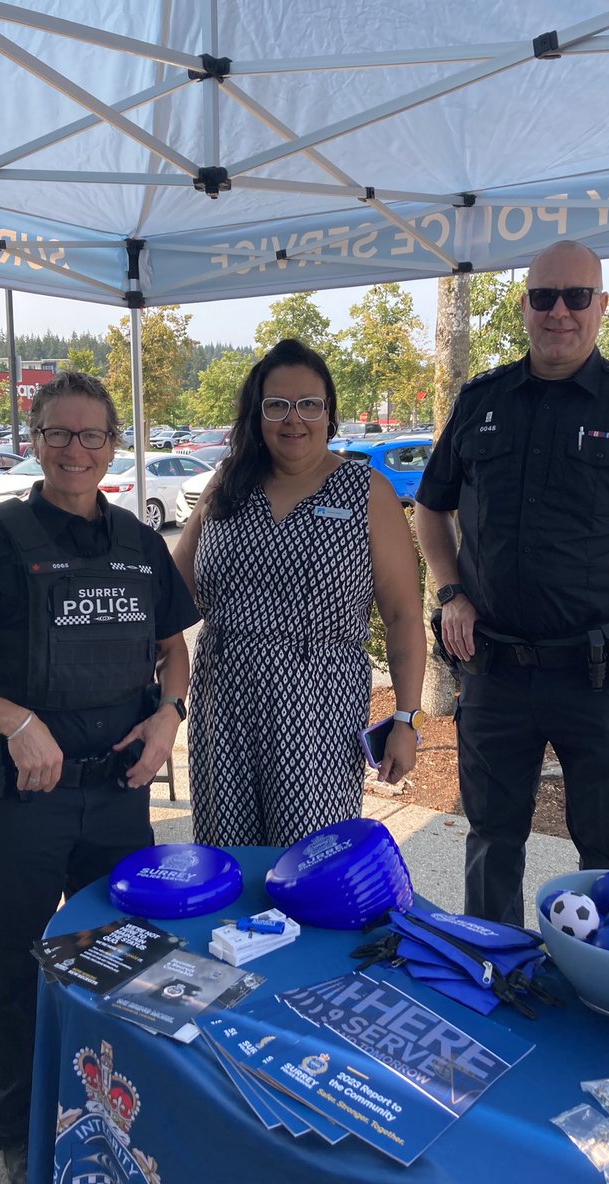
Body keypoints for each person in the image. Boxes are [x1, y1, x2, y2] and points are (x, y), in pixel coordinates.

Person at [0, 371, 199, 1184]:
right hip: (15, 802)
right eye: (58, 433)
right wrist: (16, 722)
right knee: (11, 971)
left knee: (122, 959)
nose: (76, 450)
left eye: (92, 436)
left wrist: (169, 715)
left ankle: (114, 1109)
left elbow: (173, 646)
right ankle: (16, 1129)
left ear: (114, 445)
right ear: (33, 438)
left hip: (117, 792)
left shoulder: (138, 540)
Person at [415, 240, 609, 926]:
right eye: (544, 296)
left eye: (577, 297)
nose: (560, 311)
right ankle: (495, 974)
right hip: (494, 671)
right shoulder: (481, 401)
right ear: (524, 305)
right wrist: (450, 591)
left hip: (603, 678)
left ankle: (605, 991)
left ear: (602, 306)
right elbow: (431, 508)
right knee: (491, 843)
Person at [173, 338, 426, 847]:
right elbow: (171, 591)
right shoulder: (227, 484)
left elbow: (402, 614)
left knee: (309, 860)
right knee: (228, 855)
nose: (295, 419)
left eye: (309, 404)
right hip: (223, 694)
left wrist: (406, 717)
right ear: (257, 414)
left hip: (319, 701)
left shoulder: (365, 490)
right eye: (278, 405)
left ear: (329, 413)